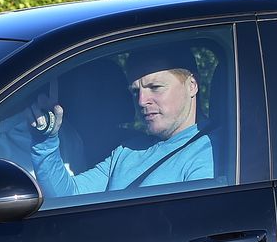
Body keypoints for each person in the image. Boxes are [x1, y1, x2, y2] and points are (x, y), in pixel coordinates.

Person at [28, 46, 214, 197]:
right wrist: (46, 138)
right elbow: (68, 196)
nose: (141, 101)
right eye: (135, 91)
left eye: (155, 87)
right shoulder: (127, 151)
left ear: (192, 85)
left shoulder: (215, 152)